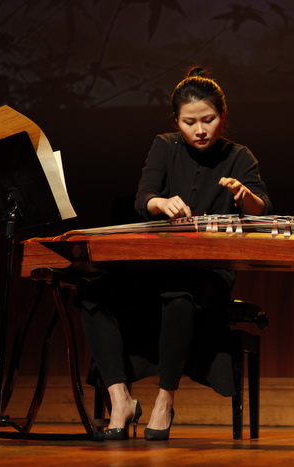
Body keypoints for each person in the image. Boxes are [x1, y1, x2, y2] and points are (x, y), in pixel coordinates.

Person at [78, 67, 272, 441]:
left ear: (223, 116)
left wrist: (243, 194)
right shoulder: (165, 146)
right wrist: (160, 203)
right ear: (176, 121)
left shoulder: (239, 156)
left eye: (208, 120)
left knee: (180, 297)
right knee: (92, 294)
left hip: (209, 270)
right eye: (189, 122)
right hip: (158, 264)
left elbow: (261, 208)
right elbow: (143, 197)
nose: (199, 130)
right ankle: (120, 398)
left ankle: (164, 401)